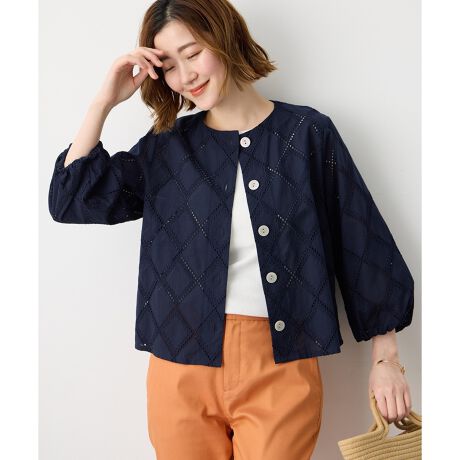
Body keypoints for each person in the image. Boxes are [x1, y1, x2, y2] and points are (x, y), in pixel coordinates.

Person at [48, 0, 415, 458]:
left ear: (225, 38)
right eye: (170, 66)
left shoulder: (306, 133)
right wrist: (103, 101)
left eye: (193, 53)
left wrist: (386, 360)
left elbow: (361, 242)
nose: (186, 76)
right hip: (179, 363)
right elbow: (71, 199)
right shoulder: (166, 148)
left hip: (281, 363)